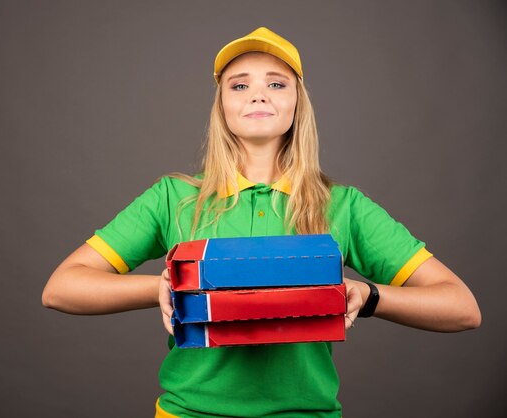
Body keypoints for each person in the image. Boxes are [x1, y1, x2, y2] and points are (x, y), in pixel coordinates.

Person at [42, 27, 481, 418]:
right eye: (239, 84)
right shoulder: (173, 198)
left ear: (296, 103)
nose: (258, 94)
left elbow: (461, 308)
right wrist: (160, 287)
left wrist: (366, 296)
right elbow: (62, 288)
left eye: (276, 83)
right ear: (223, 106)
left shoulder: (343, 206)